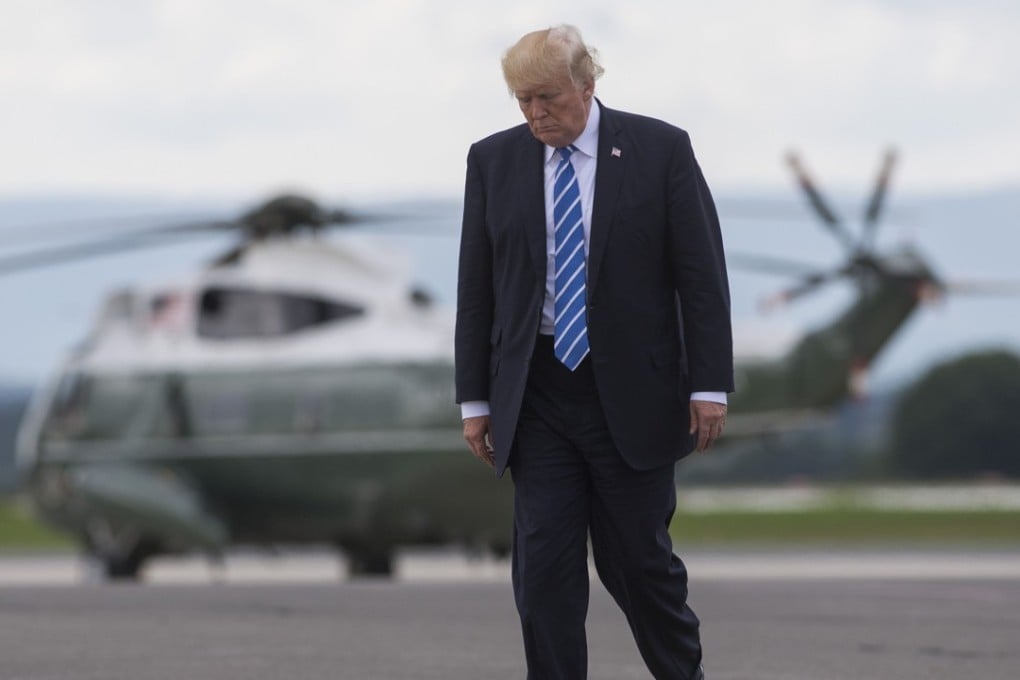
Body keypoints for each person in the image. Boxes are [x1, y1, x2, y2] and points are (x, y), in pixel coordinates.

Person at [455, 24, 733, 680]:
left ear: (588, 83)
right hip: (539, 393)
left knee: (637, 566)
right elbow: (477, 287)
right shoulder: (492, 161)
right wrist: (474, 398)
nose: (533, 113)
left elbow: (700, 275)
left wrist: (709, 384)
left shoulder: (659, 150)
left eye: (547, 97)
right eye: (521, 99)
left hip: (632, 394)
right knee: (544, 574)